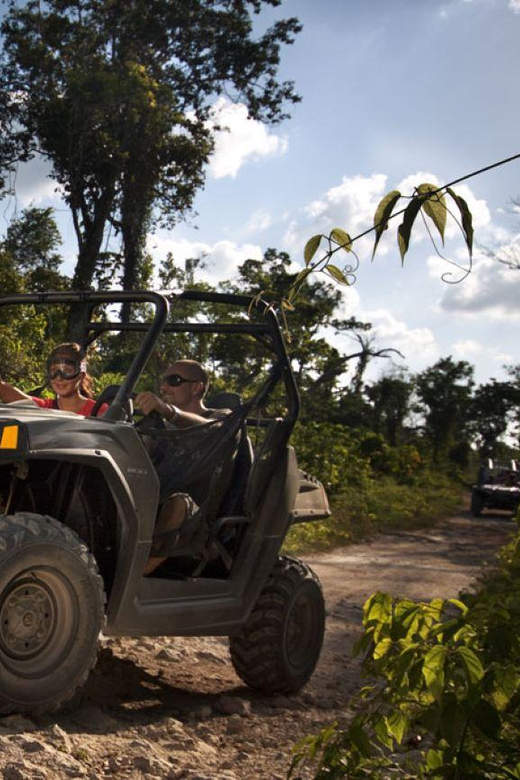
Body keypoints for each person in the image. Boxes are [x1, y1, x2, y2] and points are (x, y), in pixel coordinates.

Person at [135, 359, 230, 575]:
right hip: (153, 500)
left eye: (173, 380)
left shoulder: (221, 418)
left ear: (197, 387)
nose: (164, 387)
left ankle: (134, 578)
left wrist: (168, 411)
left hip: (197, 520)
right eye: (164, 381)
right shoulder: (162, 426)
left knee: (178, 503)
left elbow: (210, 430)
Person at [0, 342, 108, 417]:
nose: (59, 377)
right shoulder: (46, 408)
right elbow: (6, 392)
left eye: (68, 371)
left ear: (81, 375)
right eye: (54, 370)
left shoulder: (98, 411)